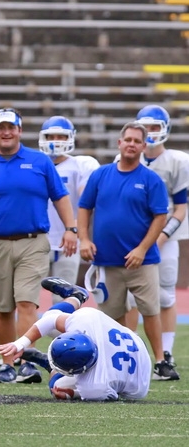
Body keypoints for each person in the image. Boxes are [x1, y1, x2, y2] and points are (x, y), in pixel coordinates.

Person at [0, 108, 77, 384]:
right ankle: (8, 363)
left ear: (19, 130)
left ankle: (27, 361)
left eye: (11, 127)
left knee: (26, 301)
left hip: (33, 242)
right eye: (1, 128)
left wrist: (71, 228)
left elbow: (61, 197)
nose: (6, 132)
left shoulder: (40, 162)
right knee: (4, 307)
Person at [77, 121, 179, 381]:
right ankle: (117, 363)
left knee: (150, 310)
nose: (132, 144)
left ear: (144, 146)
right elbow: (84, 207)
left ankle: (160, 361)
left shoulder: (150, 180)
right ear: (119, 143)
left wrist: (143, 249)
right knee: (112, 315)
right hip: (108, 261)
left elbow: (159, 217)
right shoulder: (100, 175)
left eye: (137, 141)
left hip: (141, 261)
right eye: (128, 140)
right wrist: (85, 240)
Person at [0, 277, 151, 401]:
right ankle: (76, 296)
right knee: (50, 319)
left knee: (57, 386)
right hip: (137, 343)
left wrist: (71, 394)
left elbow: (108, 396)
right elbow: (50, 320)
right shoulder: (86, 320)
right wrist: (20, 343)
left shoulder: (95, 386)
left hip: (138, 385)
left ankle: (49, 364)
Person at [122, 105, 188, 370]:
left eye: (155, 127)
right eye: (145, 127)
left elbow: (181, 208)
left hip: (166, 238)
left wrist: (160, 238)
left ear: (166, 129)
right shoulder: (125, 161)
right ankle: (130, 352)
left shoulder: (177, 161)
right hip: (130, 238)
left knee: (165, 296)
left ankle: (166, 353)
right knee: (128, 297)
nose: (150, 133)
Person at [38, 116, 92, 304]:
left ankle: (62, 334)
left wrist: (74, 229)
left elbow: (86, 200)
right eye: (51, 136)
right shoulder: (35, 164)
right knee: (27, 299)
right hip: (37, 241)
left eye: (60, 137)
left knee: (65, 300)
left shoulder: (80, 165)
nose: (55, 141)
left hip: (68, 242)